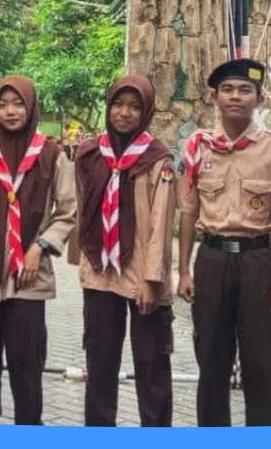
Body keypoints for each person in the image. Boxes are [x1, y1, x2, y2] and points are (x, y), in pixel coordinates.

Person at [176, 58, 271, 427]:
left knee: (262, 361)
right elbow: (187, 212)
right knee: (211, 358)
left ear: (259, 99)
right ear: (214, 97)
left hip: (257, 261)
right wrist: (183, 271)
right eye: (228, 90)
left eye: (245, 90)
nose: (236, 97)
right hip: (211, 259)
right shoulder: (199, 146)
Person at [0, 76, 76, 425]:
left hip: (28, 278)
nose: (10, 112)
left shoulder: (52, 155)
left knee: (26, 358)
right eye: (2, 104)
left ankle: (29, 424)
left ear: (32, 108)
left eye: (18, 104)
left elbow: (67, 212)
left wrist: (40, 247)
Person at [69, 74, 177, 427]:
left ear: (145, 111)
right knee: (100, 364)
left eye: (134, 106)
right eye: (118, 104)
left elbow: (160, 223)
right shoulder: (89, 154)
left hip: (142, 275)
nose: (124, 113)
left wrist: (152, 280)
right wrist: (83, 264)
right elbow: (81, 210)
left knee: (152, 366)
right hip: (101, 273)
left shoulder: (158, 158)